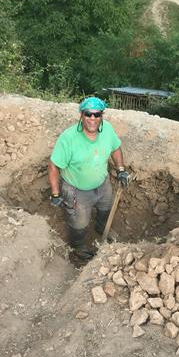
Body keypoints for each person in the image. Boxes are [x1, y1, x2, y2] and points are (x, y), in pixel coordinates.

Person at [48, 96, 130, 260]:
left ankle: (101, 228)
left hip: (102, 184)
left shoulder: (107, 130)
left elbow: (116, 148)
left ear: (101, 116)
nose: (92, 118)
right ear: (81, 115)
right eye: (88, 114)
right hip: (77, 190)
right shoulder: (68, 138)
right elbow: (53, 166)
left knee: (105, 208)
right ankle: (78, 247)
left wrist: (120, 169)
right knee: (79, 224)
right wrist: (56, 193)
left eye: (97, 114)